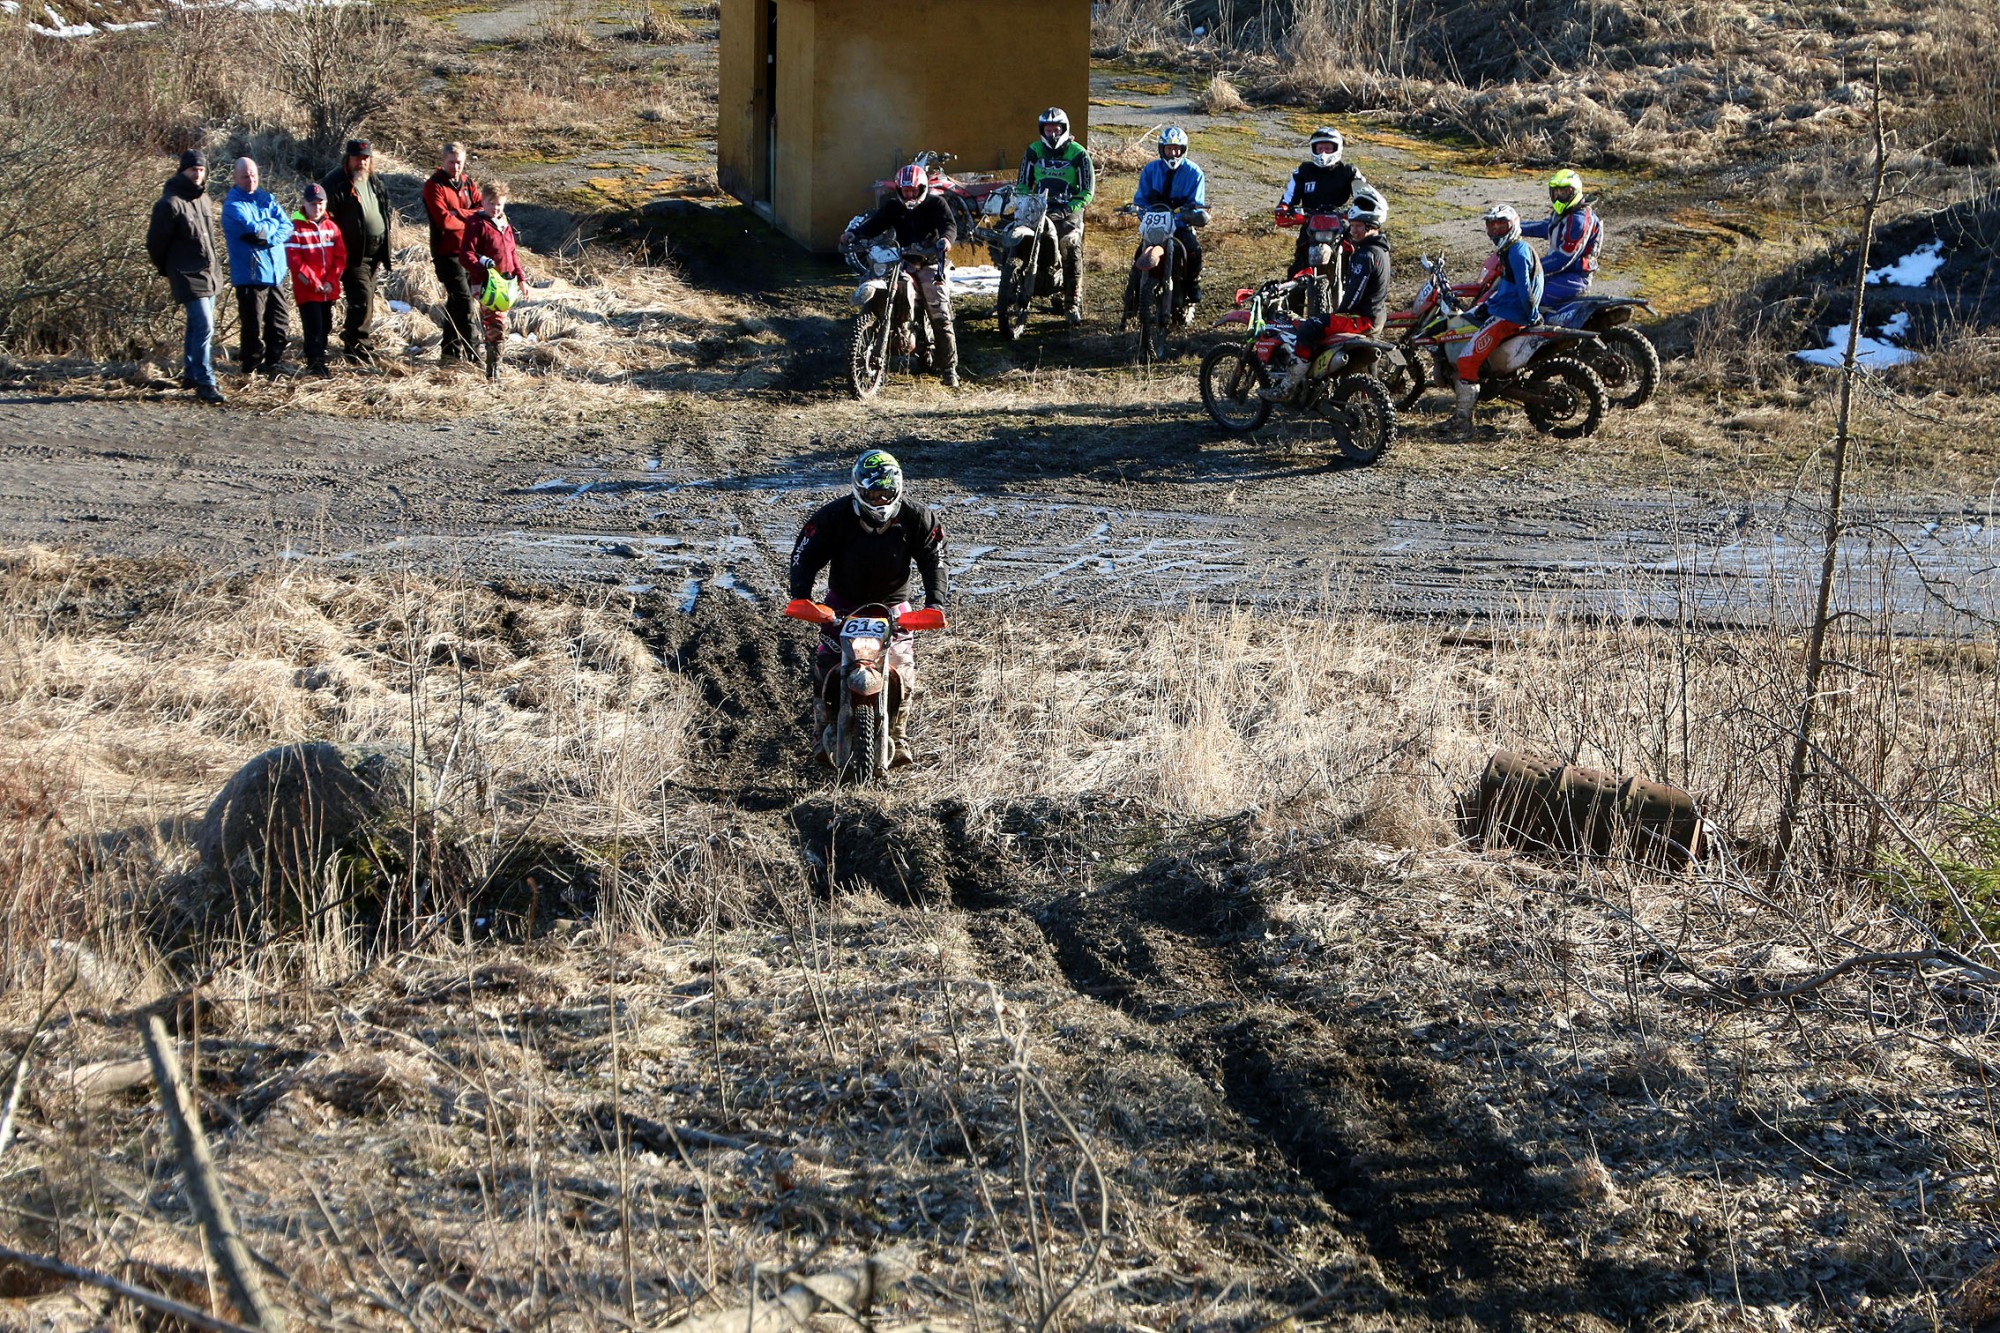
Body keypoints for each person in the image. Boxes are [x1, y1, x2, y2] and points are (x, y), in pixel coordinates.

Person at [787, 450, 948, 764]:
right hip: (842, 605)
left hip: (894, 606)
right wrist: (801, 597)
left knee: (902, 664)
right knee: (826, 661)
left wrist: (935, 604)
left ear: (898, 489)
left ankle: (897, 734)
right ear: (859, 490)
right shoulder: (833, 517)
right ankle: (822, 730)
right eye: (873, 494)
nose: (880, 500)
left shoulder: (918, 517)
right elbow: (804, 555)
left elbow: (935, 560)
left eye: (886, 493)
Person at [1260, 187, 1392, 401]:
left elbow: (1354, 295)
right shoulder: (1381, 251)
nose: (1353, 230)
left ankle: (1287, 387)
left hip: (1361, 319)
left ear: (1371, 227)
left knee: (1311, 326)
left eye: (1358, 226)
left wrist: (1336, 315)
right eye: (1352, 225)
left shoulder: (1365, 255)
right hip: (1376, 316)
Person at [846, 164, 960, 387]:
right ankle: (894, 331)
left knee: (940, 312)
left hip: (929, 262)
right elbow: (875, 225)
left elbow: (949, 225)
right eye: (905, 190)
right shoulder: (893, 206)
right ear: (899, 189)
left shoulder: (936, 203)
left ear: (922, 188)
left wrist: (945, 240)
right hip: (903, 261)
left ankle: (949, 369)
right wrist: (854, 234)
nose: (909, 194)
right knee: (891, 285)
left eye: (913, 190)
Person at [1453, 203, 1544, 436]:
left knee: (1466, 361)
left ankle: (1462, 423)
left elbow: (1525, 291)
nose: (1496, 231)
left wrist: (1532, 316)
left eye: (1501, 225)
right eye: (1491, 226)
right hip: (1504, 310)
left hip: (1509, 317)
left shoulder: (1517, 252)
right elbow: (1507, 288)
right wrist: (1486, 306)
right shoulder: (1510, 250)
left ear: (1513, 225)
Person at [145, 149, 225, 404]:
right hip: (186, 273)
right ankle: (205, 381)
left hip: (209, 273)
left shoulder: (204, 199)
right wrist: (168, 269)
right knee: (204, 325)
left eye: (201, 170)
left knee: (197, 326)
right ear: (182, 171)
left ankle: (191, 372)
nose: (197, 174)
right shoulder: (168, 204)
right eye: (193, 169)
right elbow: (155, 244)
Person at [1016, 106, 1094, 325]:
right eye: (1048, 129)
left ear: (1064, 128)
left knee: (1070, 244)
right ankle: (1008, 290)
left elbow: (1087, 191)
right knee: (1014, 238)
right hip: (1038, 206)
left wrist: (1069, 208)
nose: (1052, 134)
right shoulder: (1033, 151)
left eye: (1056, 129)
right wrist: (1024, 200)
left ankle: (1072, 303)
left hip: (1068, 208)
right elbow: (1022, 183)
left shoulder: (1078, 153)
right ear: (1042, 130)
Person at [220, 156, 294, 378]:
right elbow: (255, 230)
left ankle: (273, 363)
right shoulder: (233, 205)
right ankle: (249, 368)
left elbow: (287, 226)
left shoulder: (267, 198)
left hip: (275, 272)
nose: (250, 179)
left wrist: (270, 237)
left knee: (279, 321)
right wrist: (273, 225)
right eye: (245, 176)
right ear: (235, 177)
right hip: (251, 274)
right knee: (252, 325)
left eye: (253, 175)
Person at [321, 138, 393, 365]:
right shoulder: (335, 183)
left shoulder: (374, 181)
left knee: (367, 298)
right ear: (348, 158)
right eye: (357, 158)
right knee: (361, 298)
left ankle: (356, 341)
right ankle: (357, 347)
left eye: (365, 158)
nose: (361, 162)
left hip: (374, 253)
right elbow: (322, 218)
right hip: (351, 254)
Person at [1129, 125, 1210, 313]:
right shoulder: (1150, 170)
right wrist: (1141, 212)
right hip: (1155, 226)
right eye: (1169, 148)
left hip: (1180, 225)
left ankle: (1193, 283)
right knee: (1139, 254)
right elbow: (1141, 199)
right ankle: (1133, 296)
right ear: (1162, 149)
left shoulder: (1194, 173)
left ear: (1183, 150)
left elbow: (1197, 204)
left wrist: (1188, 216)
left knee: (1193, 251)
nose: (1173, 153)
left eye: (1177, 149)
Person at [459, 180, 529, 381]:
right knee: (496, 325)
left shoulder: (505, 224)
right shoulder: (476, 223)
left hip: (506, 284)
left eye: (499, 204)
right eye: (491, 203)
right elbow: (466, 255)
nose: (495, 208)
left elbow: (512, 253)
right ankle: (493, 372)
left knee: (498, 324)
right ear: (483, 201)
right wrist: (484, 271)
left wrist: (521, 278)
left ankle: (493, 363)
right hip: (487, 285)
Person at [422, 141, 485, 365]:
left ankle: (449, 353)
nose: (455, 167)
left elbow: (483, 210)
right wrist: (470, 218)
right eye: (451, 162)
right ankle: (475, 357)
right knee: (465, 304)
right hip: (446, 253)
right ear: (443, 161)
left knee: (456, 303)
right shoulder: (434, 186)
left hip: (469, 251)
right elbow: (444, 221)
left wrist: (458, 213)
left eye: (459, 163)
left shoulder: (468, 183)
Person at [1275, 126, 1365, 280]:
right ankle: (1294, 294)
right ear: (1313, 149)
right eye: (1320, 148)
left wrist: (1362, 208)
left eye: (1328, 148)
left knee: (1358, 257)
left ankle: (1358, 288)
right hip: (1311, 222)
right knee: (1298, 268)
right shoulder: (1304, 171)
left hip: (1340, 221)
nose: (1323, 152)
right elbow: (1289, 196)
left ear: (1337, 148)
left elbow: (1364, 194)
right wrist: (1284, 208)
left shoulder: (1348, 171)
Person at [285, 183, 346, 378]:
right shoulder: (295, 228)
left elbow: (340, 258)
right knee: (314, 327)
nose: (317, 207)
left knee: (326, 325)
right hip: (308, 291)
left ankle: (321, 356)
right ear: (304, 203)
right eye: (313, 203)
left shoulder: (332, 227)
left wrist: (331, 281)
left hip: (328, 289)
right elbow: (295, 261)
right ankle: (315, 363)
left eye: (321, 203)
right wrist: (314, 283)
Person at [1518, 168, 1600, 306]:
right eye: (1555, 192)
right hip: (1560, 273)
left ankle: (1538, 319)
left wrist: (1530, 268)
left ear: (1574, 192)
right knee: (1518, 289)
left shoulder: (1579, 221)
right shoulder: (1567, 214)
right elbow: (1546, 227)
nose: (1558, 197)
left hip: (1575, 278)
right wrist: (1514, 227)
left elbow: (1562, 259)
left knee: (1528, 298)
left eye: (1564, 192)